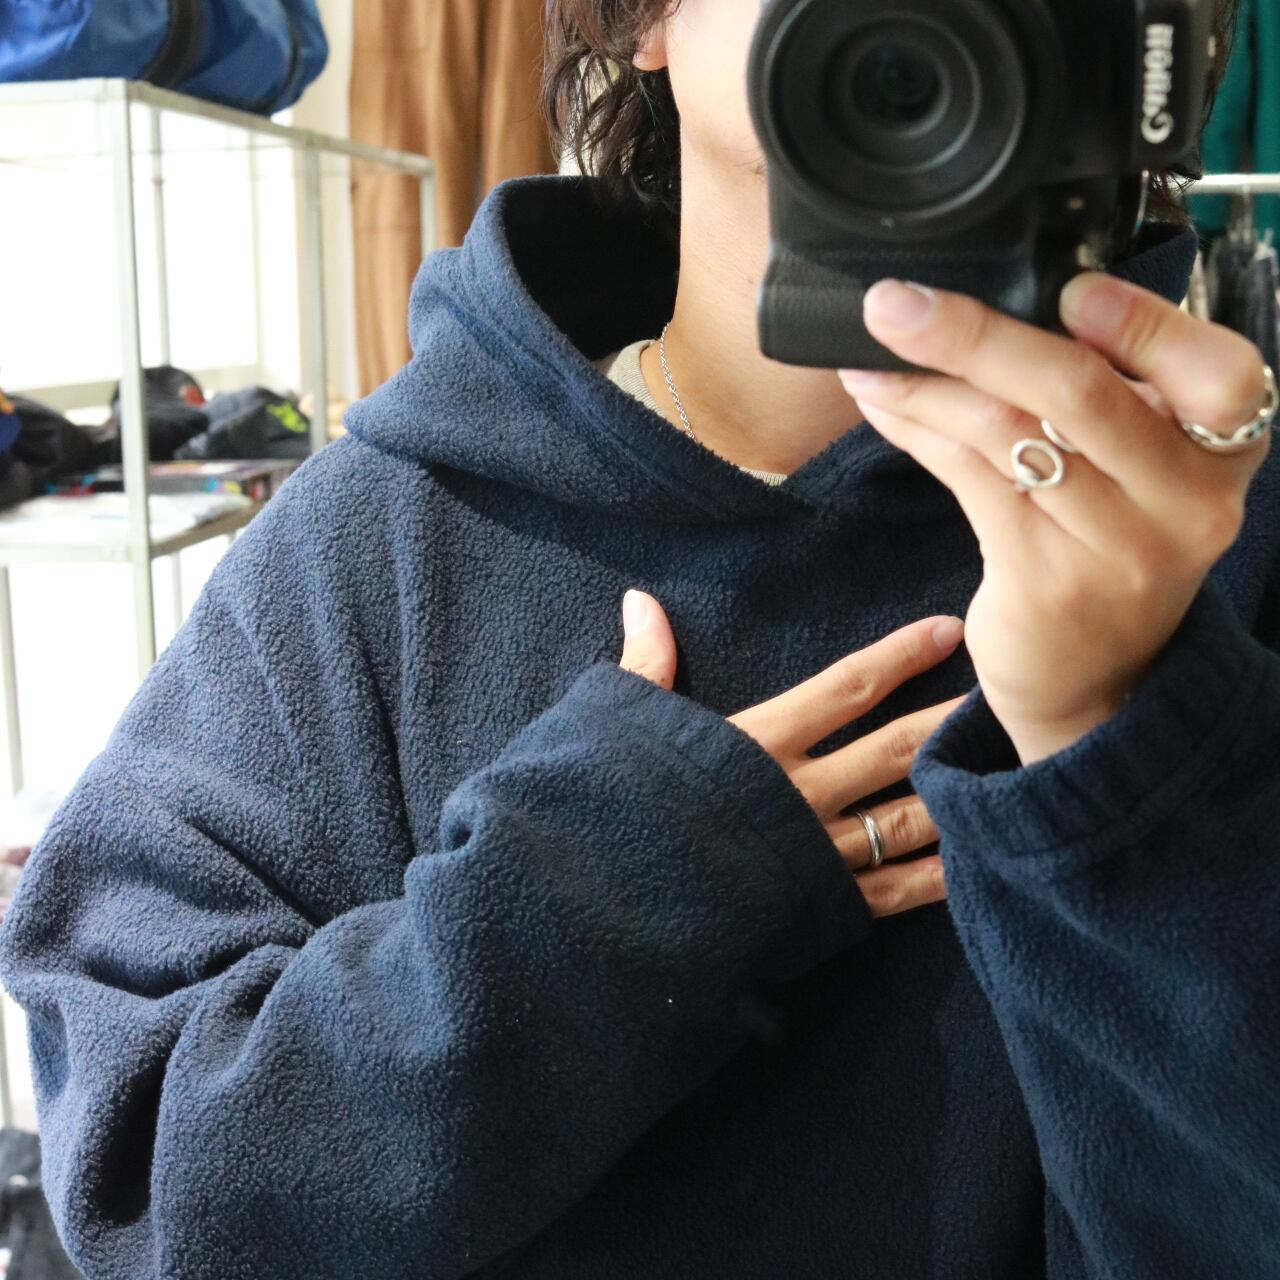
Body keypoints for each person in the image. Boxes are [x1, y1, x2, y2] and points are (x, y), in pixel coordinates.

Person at [1, 0, 1277, 1274]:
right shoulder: (388, 533)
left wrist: (1128, 753)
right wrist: (595, 891)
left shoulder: (1216, 535)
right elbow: (148, 1186)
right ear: (643, 19)